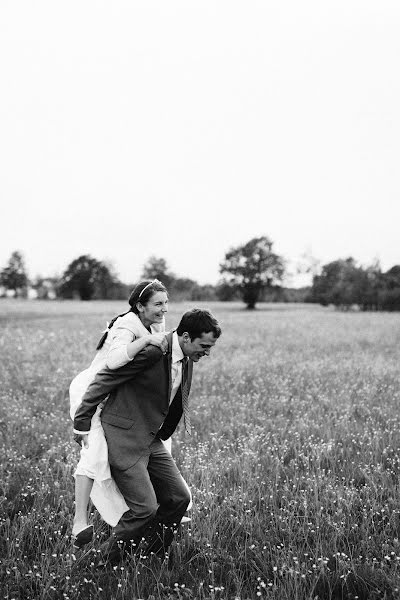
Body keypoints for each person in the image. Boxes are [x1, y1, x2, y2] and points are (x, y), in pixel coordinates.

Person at [73, 308, 221, 565]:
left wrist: (164, 434)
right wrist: (82, 421)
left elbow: (174, 401)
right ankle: (103, 563)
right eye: (204, 346)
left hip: (150, 438)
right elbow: (104, 378)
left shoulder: (185, 357)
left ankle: (151, 555)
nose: (207, 353)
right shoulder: (154, 351)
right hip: (124, 436)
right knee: (144, 508)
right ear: (185, 337)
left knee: (179, 498)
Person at [70, 279, 169, 548]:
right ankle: (79, 521)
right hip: (93, 391)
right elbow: (113, 363)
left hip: (119, 396)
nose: (164, 309)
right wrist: (147, 340)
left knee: (137, 454)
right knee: (95, 451)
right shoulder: (126, 325)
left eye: (166, 303)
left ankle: (131, 516)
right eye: (158, 303)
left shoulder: (154, 323)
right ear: (140, 306)